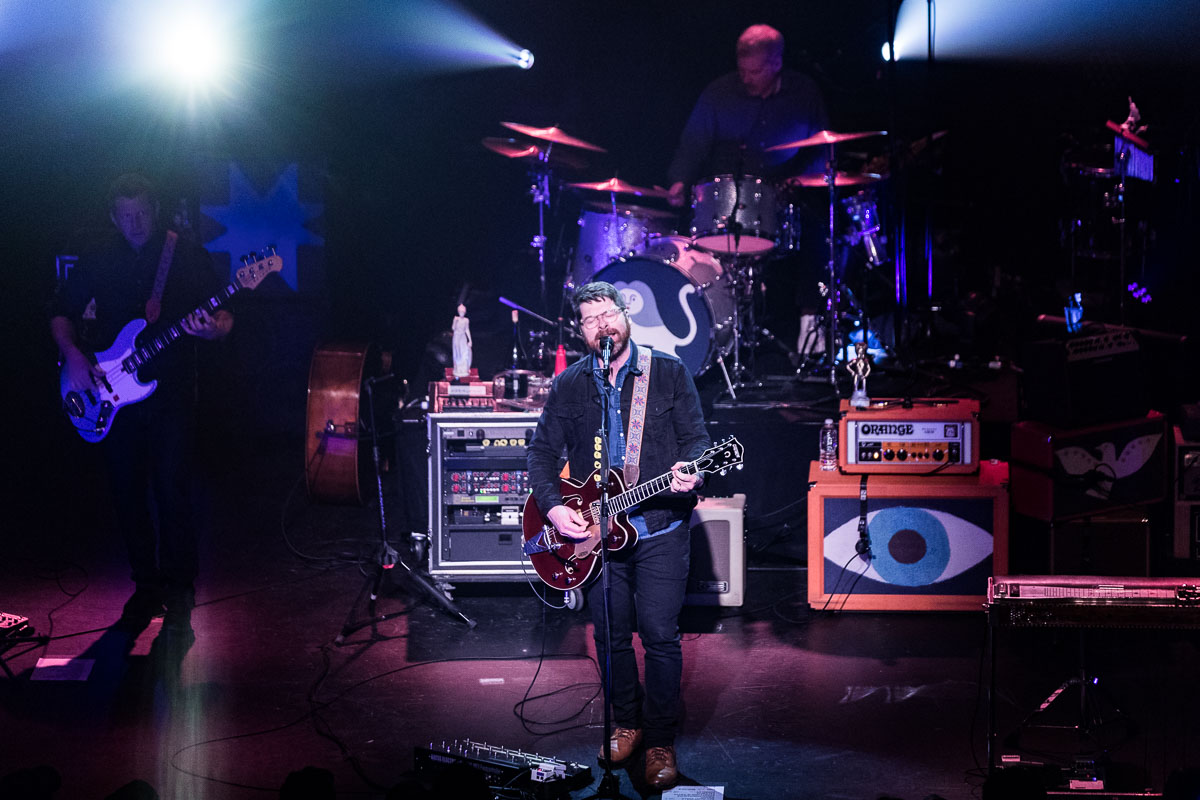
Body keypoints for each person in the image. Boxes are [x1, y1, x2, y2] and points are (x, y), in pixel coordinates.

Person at [526, 282, 710, 790]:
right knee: (609, 637)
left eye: (608, 313)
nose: (602, 324)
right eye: (590, 319)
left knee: (659, 636)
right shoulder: (571, 384)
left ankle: (660, 741)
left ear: (625, 315)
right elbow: (541, 455)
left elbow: (698, 442)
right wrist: (556, 509)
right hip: (593, 535)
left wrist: (692, 471)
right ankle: (626, 723)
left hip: (659, 528)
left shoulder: (668, 373)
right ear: (580, 330)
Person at [50, 172, 234, 640]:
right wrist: (73, 356)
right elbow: (59, 312)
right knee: (126, 491)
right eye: (126, 215)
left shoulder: (184, 252)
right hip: (111, 393)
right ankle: (145, 585)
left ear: (154, 209)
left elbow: (226, 315)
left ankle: (181, 587)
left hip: (169, 392)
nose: (135, 223)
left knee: (172, 489)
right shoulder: (97, 257)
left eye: (142, 213)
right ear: (114, 216)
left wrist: (213, 329)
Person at [666, 24, 830, 209]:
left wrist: (799, 183)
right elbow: (693, 144)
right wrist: (679, 180)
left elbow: (820, 149)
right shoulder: (719, 93)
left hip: (787, 203)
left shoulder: (804, 92)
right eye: (742, 71)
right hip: (726, 202)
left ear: (777, 64)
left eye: (754, 72)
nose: (746, 79)